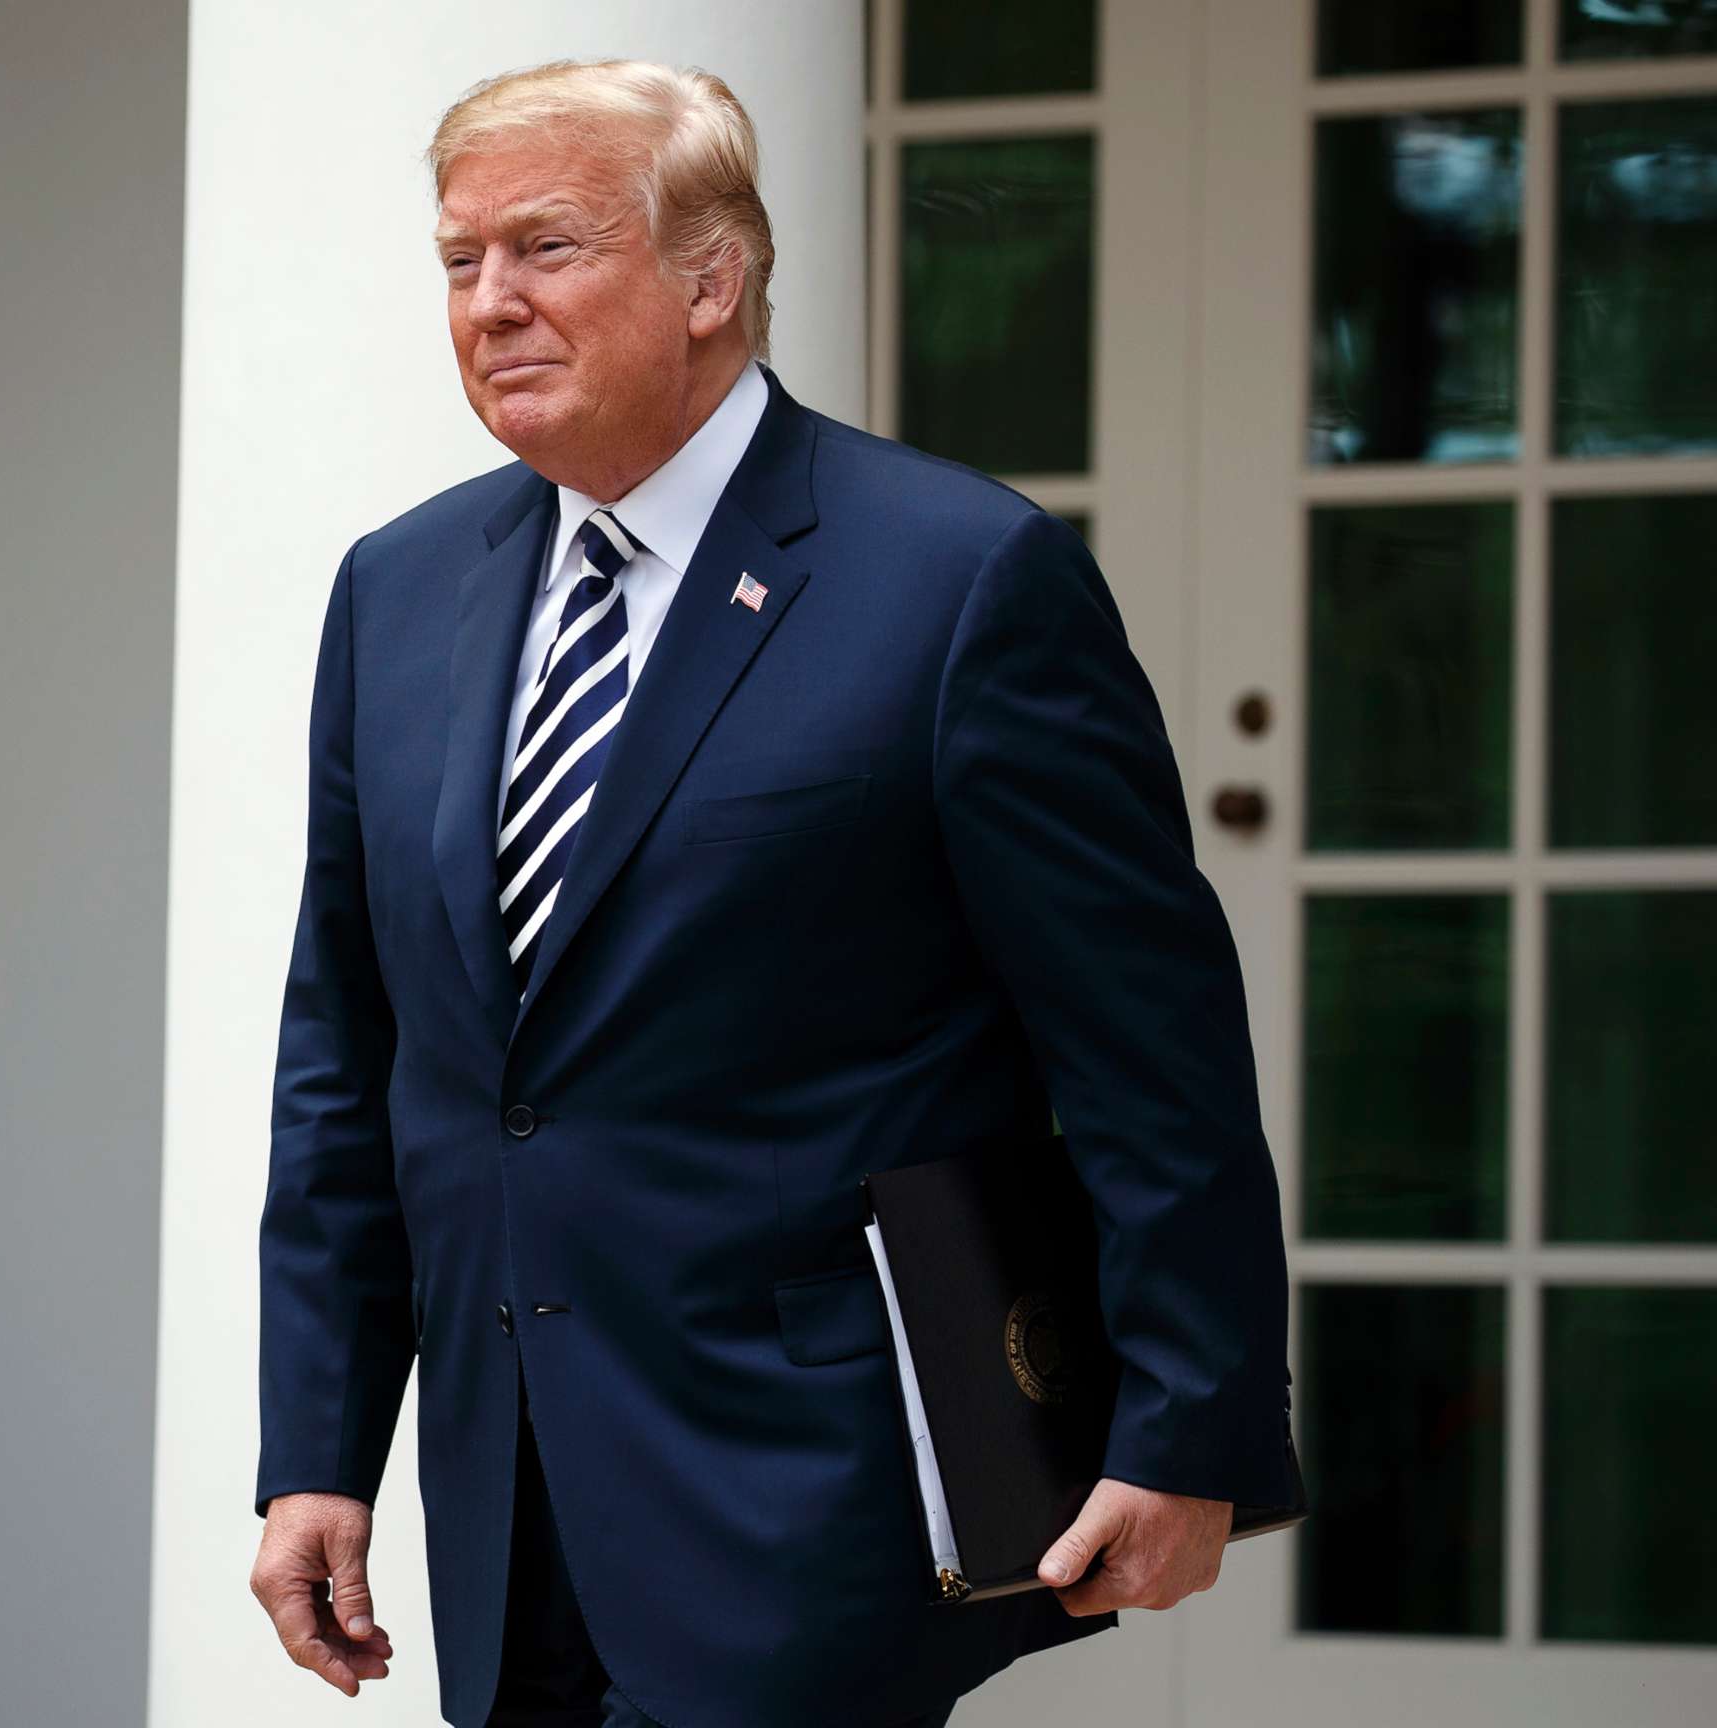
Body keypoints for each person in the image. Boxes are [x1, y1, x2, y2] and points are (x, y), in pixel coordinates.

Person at [248, 57, 1300, 1728]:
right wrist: (318, 1443)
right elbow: (353, 1052)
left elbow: (1150, 1048)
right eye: (461, 263)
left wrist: (1187, 1426)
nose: (491, 304)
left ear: (712, 277)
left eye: (546, 249)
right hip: (505, 1502)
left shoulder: (959, 581)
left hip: (807, 1499)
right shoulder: (399, 590)